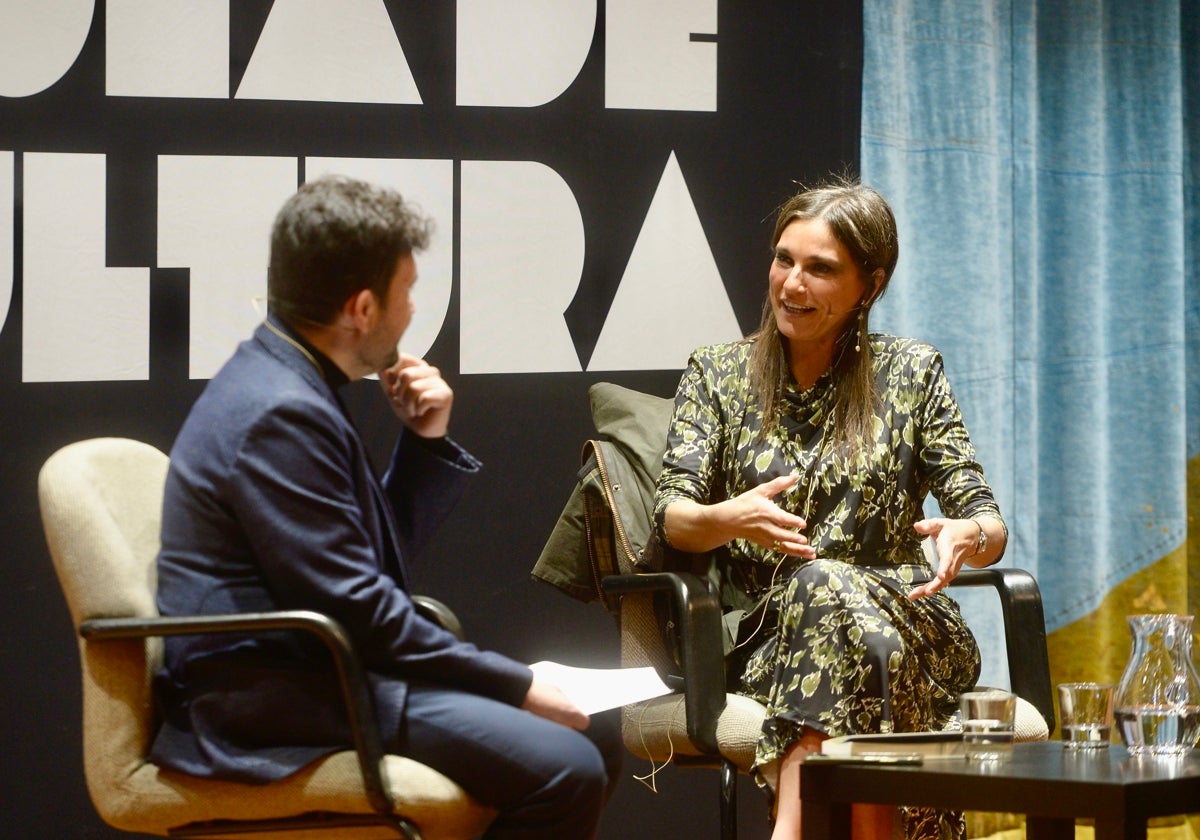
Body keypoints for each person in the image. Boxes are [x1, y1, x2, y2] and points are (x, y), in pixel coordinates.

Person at [150, 174, 621, 839]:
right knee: (568, 765)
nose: (411, 310)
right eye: (408, 290)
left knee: (594, 737)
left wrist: (423, 442)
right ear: (363, 309)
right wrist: (516, 685)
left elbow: (360, 571)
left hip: (324, 671)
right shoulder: (279, 412)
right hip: (279, 699)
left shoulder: (290, 382)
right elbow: (361, 612)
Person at [653, 178, 1007, 839]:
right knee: (822, 593)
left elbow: (983, 514)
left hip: (915, 628)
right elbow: (673, 513)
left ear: (868, 286)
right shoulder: (717, 374)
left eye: (820, 269)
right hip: (771, 637)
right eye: (784, 259)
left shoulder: (911, 372)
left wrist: (970, 535)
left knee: (829, 590)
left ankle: (791, 827)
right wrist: (730, 516)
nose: (792, 284)